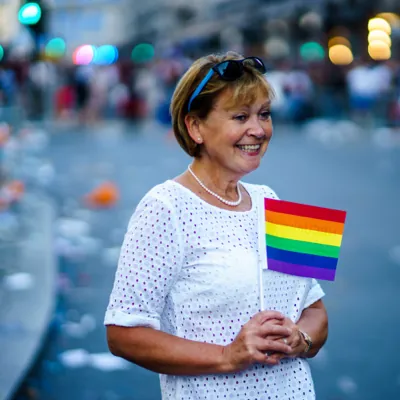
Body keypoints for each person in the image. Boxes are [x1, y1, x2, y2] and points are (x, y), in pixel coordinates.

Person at [104, 51, 328, 400]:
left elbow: (316, 311)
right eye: (240, 116)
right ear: (195, 127)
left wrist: (302, 339)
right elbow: (122, 334)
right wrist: (227, 356)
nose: (258, 129)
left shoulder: (274, 200)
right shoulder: (164, 207)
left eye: (264, 114)